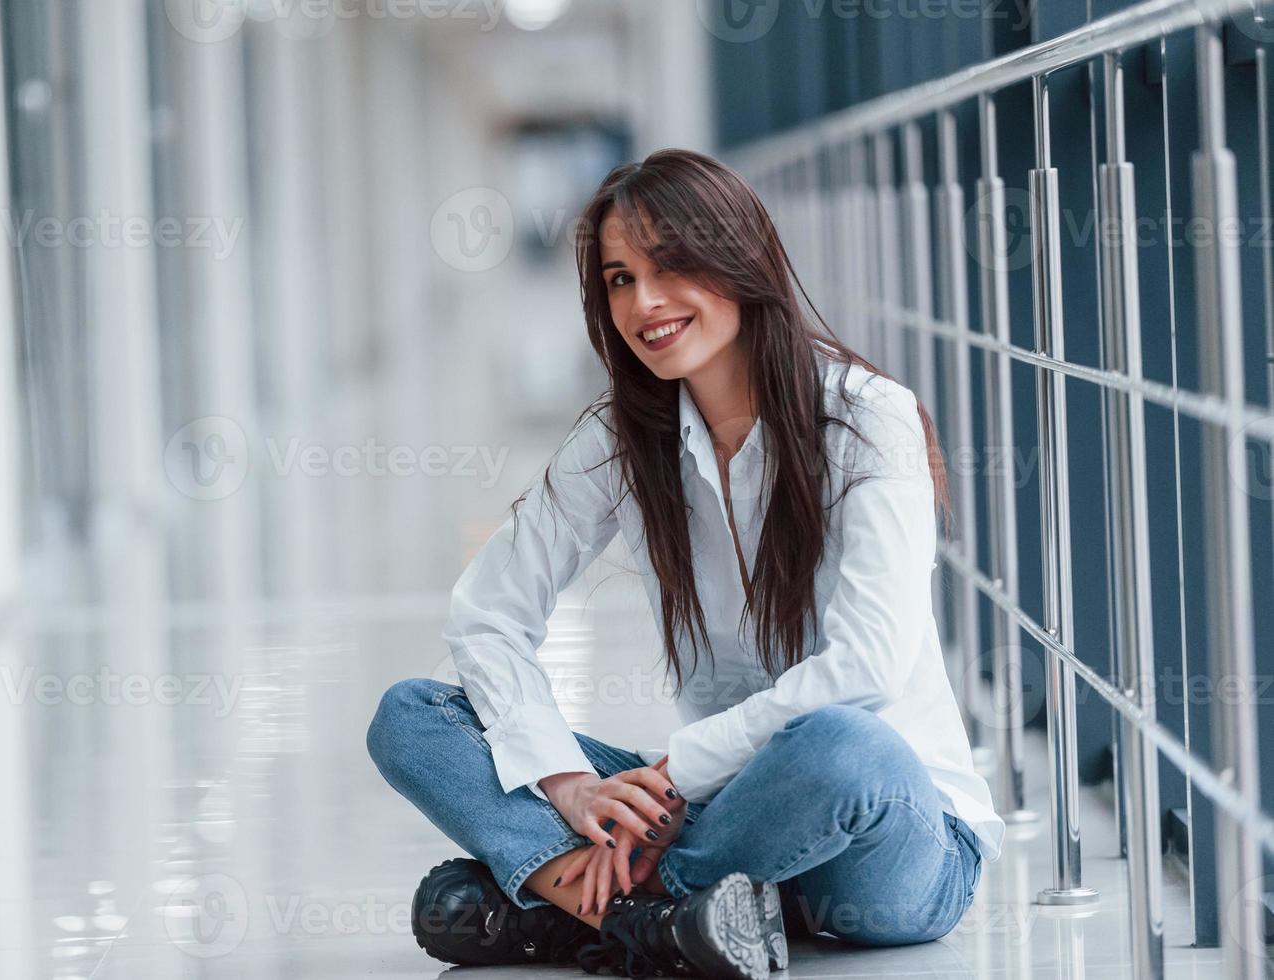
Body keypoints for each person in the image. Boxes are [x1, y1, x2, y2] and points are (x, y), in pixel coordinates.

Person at [367, 147, 1002, 979]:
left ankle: (576, 910)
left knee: (843, 743)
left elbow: (867, 668)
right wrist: (571, 788)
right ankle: (669, 923)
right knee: (413, 715)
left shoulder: (866, 420)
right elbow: (487, 614)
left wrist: (672, 778)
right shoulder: (622, 439)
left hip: (890, 838)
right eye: (620, 279)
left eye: (670, 266)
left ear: (741, 260)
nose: (645, 303)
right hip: (715, 812)